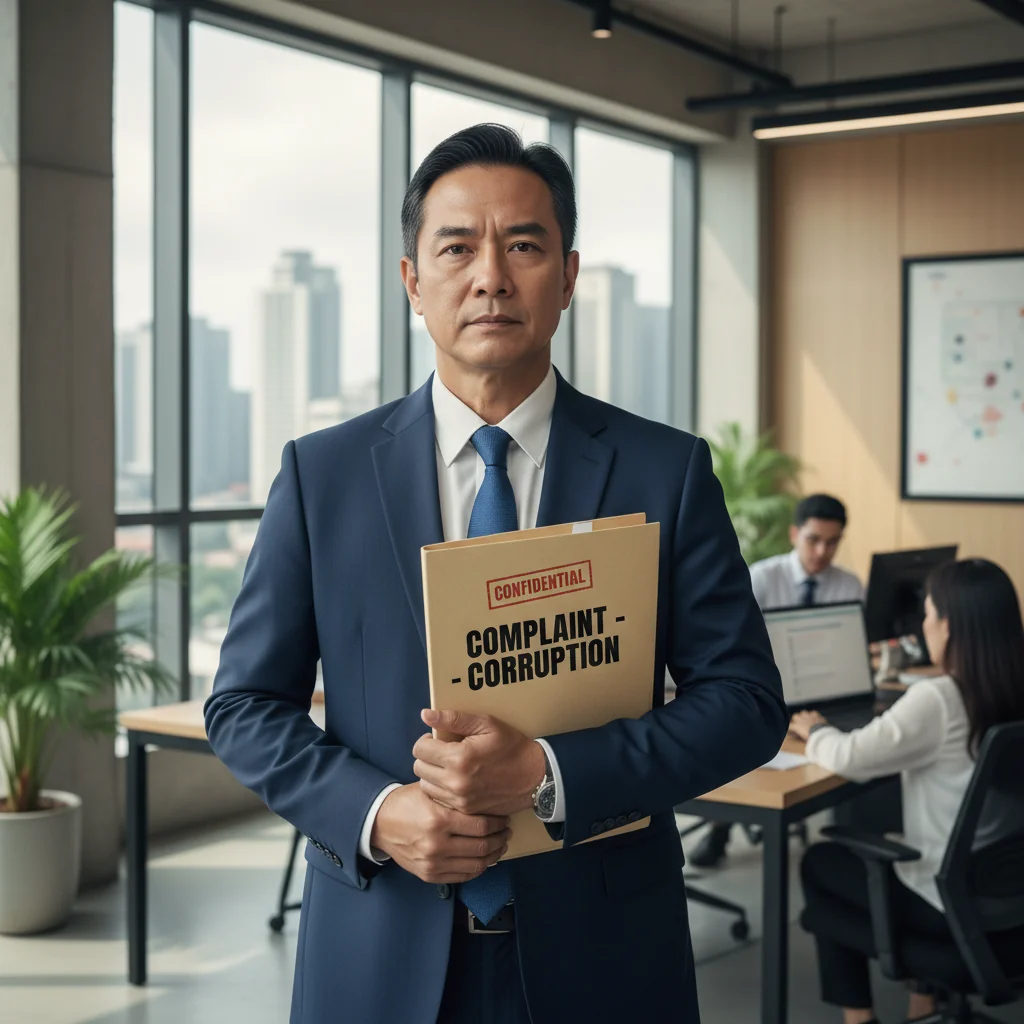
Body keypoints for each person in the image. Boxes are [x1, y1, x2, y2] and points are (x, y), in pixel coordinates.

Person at [204, 123, 787, 1024]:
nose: (490, 276)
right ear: (412, 281)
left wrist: (551, 773)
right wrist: (377, 811)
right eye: (457, 247)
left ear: (568, 275)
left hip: (604, 953)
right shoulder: (322, 476)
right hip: (378, 946)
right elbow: (244, 705)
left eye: (523, 244)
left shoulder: (662, 471)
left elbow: (744, 702)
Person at [791, 557, 1024, 1024]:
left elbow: (850, 757)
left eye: (929, 612)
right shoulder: (1011, 683)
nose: (923, 624)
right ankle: (923, 1004)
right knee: (846, 884)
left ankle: (863, 1018)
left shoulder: (939, 698)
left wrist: (815, 731)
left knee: (821, 869)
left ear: (950, 627)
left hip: (952, 907)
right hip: (1010, 898)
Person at [690, 493, 864, 868]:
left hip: (826, 693)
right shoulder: (762, 578)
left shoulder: (849, 586)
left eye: (832, 542)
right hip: (769, 692)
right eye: (813, 539)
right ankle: (721, 826)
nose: (822, 551)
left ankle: (839, 836)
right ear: (794, 534)